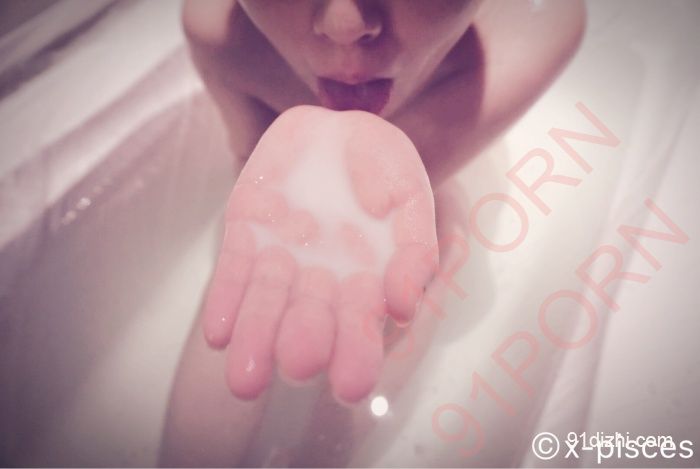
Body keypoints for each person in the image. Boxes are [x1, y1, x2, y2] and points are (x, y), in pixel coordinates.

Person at [160, 1, 585, 465]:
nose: (345, 27)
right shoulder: (218, 35)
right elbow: (252, 171)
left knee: (434, 234)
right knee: (263, 252)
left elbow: (402, 189)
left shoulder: (534, 24)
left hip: (440, 180)